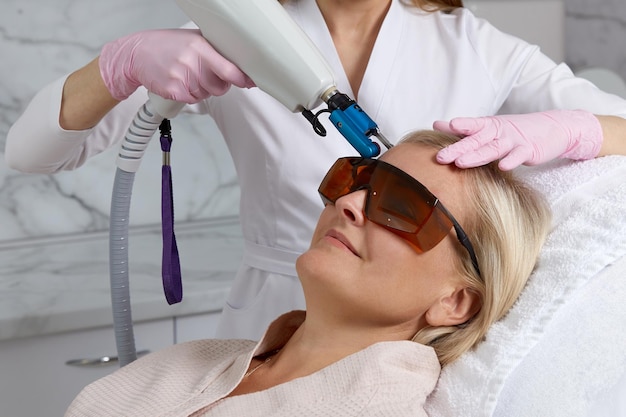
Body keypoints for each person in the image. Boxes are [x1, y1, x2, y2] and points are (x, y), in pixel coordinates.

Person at [5, 0, 626, 340]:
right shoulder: (240, 28)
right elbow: (32, 154)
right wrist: (122, 65)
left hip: (412, 335)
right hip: (267, 318)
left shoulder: (478, 47)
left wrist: (574, 128)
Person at [62, 130, 552, 416]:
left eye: (403, 207)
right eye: (359, 179)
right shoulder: (192, 364)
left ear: (456, 301)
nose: (351, 203)